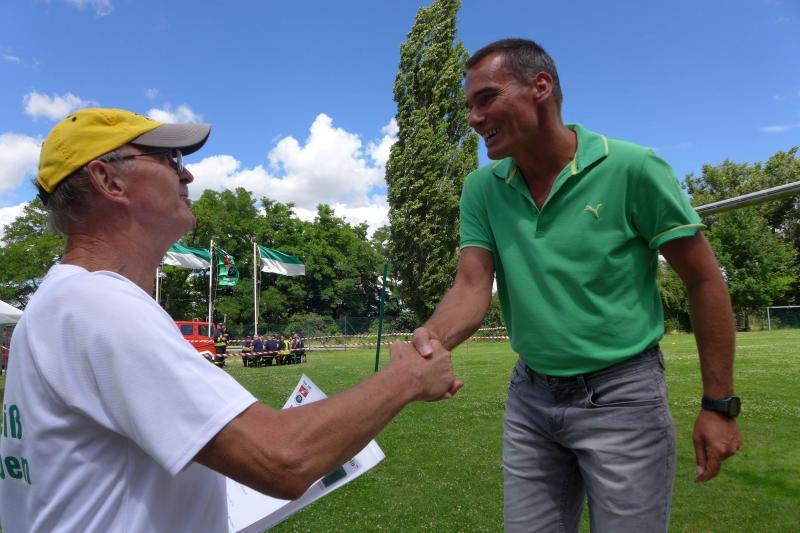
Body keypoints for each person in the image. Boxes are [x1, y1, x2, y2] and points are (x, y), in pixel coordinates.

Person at [0, 108, 462, 532]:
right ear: (108, 180)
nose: (187, 173)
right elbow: (284, 459)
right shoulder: (97, 304)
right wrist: (408, 377)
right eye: (170, 159)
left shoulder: (62, 302)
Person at [411, 39, 742, 532]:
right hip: (530, 398)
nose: (475, 119)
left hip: (624, 397)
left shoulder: (632, 168)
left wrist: (719, 406)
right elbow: (471, 287)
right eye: (470, 107)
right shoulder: (482, 189)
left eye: (487, 99)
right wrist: (432, 339)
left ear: (540, 87)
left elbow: (704, 279)